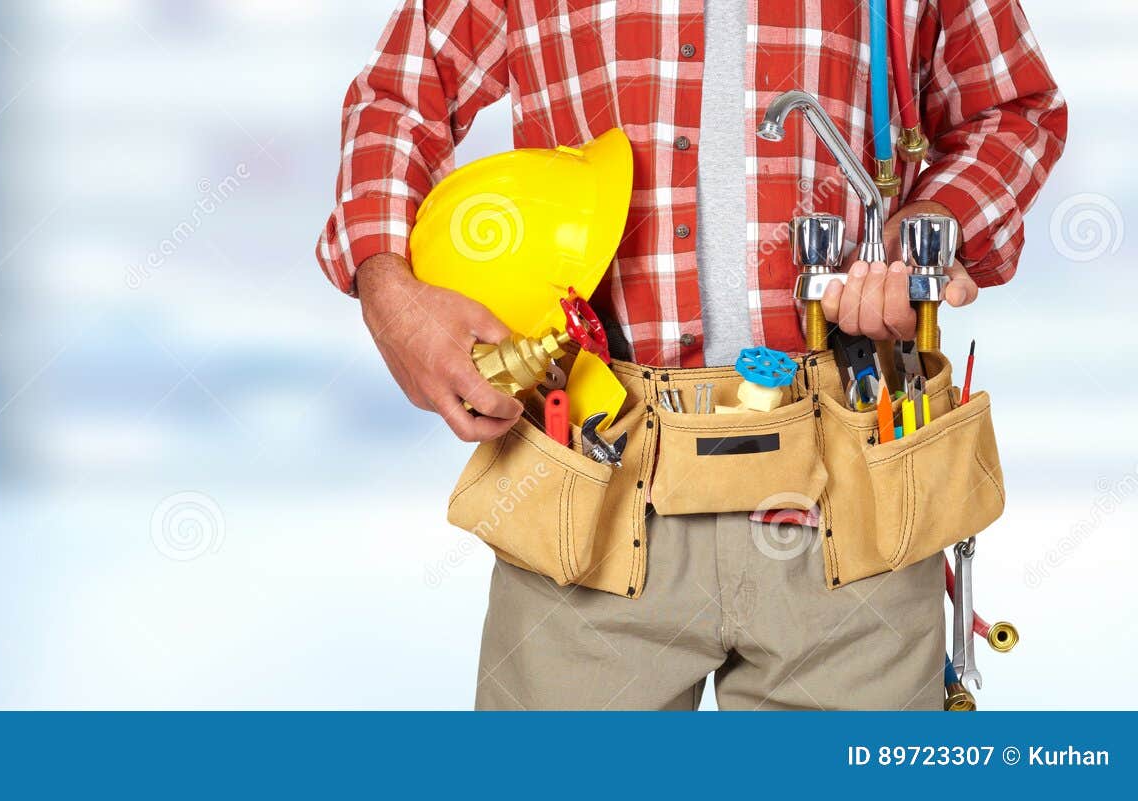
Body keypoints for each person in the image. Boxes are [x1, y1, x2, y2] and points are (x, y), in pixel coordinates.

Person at [316, 1, 1066, 709]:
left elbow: (1012, 111)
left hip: (850, 480)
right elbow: (399, 97)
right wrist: (390, 293)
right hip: (591, 467)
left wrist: (929, 229)